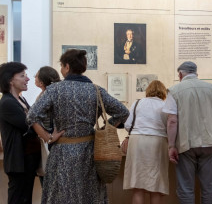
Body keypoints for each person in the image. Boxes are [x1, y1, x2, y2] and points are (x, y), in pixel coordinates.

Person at [27, 49, 129, 203]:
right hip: (89, 152)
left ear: (67, 67)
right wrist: (105, 128)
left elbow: (32, 116)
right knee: (89, 194)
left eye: (62, 66)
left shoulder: (54, 90)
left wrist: (48, 137)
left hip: (61, 153)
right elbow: (123, 112)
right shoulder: (95, 90)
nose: (61, 70)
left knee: (61, 195)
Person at [162, 61, 212, 204]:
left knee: (186, 188)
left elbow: (172, 120)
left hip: (186, 144)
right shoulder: (211, 88)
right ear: (196, 74)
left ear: (180, 74)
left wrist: (171, 146)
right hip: (209, 143)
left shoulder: (174, 90)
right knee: (208, 188)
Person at [0, 62, 41, 204]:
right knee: (18, 199)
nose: (28, 79)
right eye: (22, 76)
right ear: (10, 80)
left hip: (28, 160)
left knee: (26, 199)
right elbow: (29, 126)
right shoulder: (7, 102)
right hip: (18, 162)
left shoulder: (21, 99)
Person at [123, 80, 169, 204]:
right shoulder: (165, 106)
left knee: (138, 187)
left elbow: (128, 125)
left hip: (137, 141)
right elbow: (170, 127)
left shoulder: (137, 103)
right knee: (156, 187)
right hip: (158, 142)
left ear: (148, 90)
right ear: (163, 92)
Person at [34, 66, 61, 185]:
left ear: (41, 82)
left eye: (36, 75)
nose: (34, 77)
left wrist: (49, 137)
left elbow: (33, 117)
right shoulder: (52, 93)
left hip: (50, 142)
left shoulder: (46, 95)